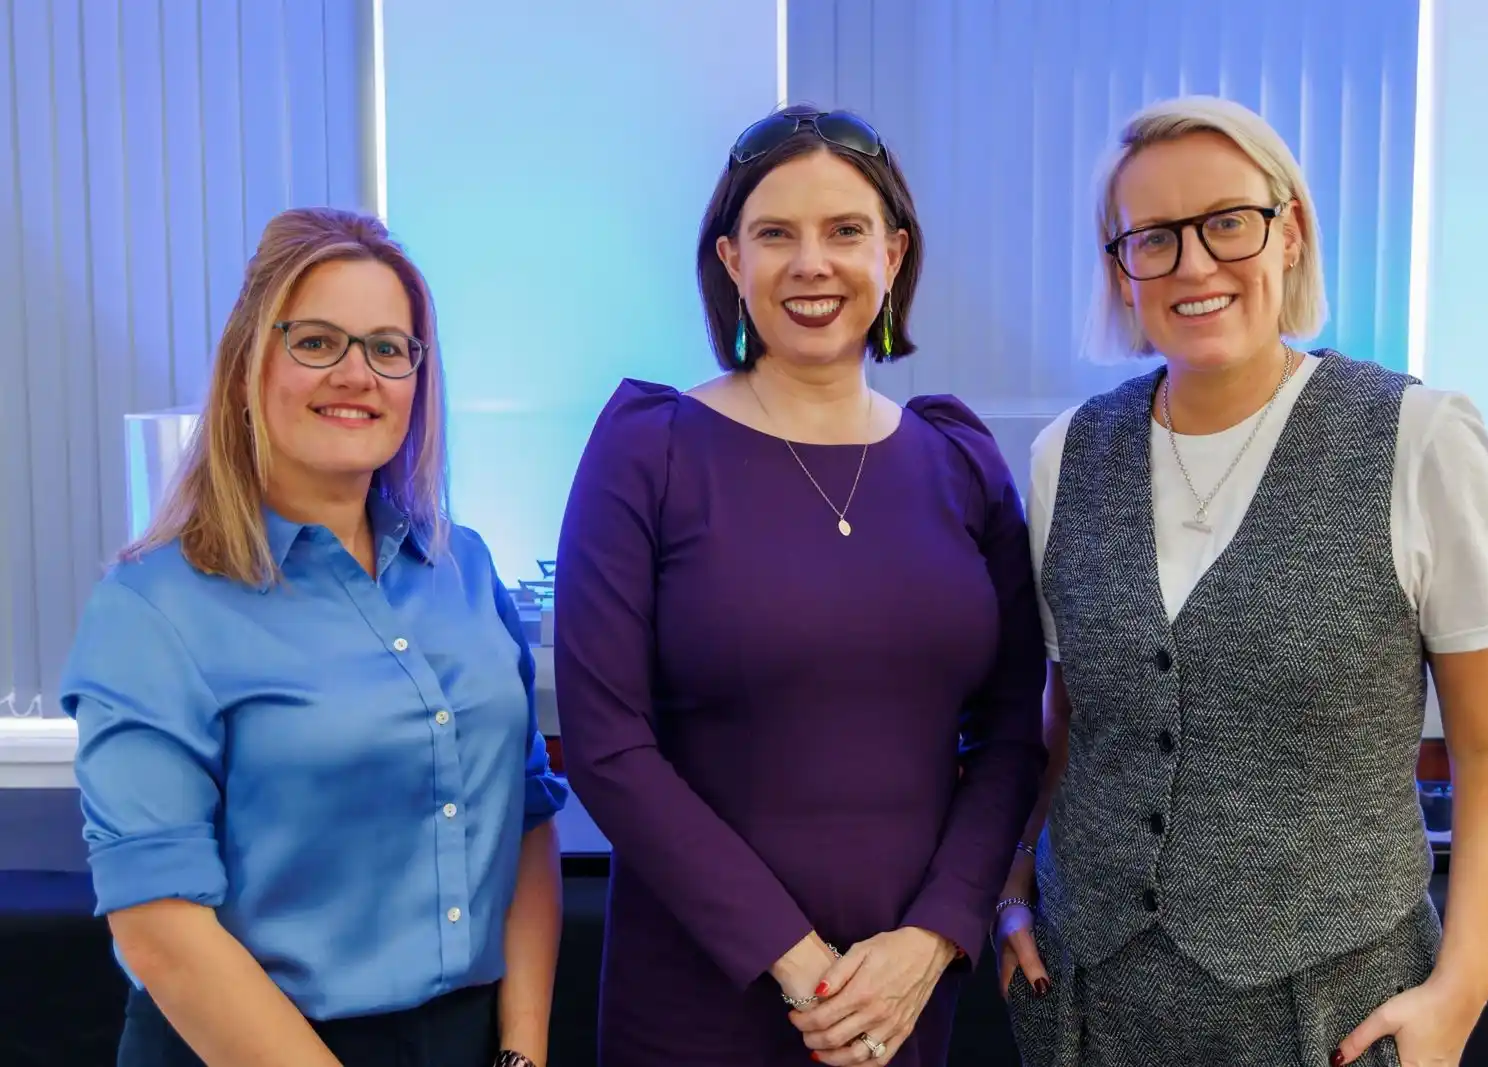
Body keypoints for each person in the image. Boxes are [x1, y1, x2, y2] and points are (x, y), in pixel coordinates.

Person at [998, 96, 1488, 1067]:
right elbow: (1069, 725)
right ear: (1120, 270)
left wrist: (1460, 991)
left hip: (1330, 1013)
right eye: (1152, 238)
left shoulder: (1420, 440)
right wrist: (1010, 890)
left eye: (1227, 222)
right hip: (1087, 1006)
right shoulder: (1063, 456)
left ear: (1288, 230)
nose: (1195, 264)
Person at [554, 105, 1047, 1067]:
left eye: (845, 232)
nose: (810, 263)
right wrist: (801, 967)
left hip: (903, 996)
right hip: (703, 992)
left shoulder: (960, 462)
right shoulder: (647, 450)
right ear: (732, 261)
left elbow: (1009, 735)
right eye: (775, 234)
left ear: (894, 255)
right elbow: (608, 746)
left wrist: (934, 937)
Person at [60, 207, 567, 1067]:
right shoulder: (152, 607)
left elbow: (523, 821)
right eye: (318, 341)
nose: (358, 374)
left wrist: (521, 1053)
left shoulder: (465, 567)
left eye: (387, 347)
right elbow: (159, 928)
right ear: (250, 362)